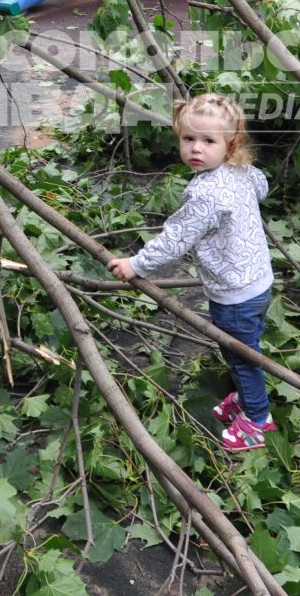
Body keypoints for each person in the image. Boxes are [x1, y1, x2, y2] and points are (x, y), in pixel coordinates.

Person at [109, 94, 276, 452]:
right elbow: (262, 186)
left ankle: (257, 421)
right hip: (259, 283)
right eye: (189, 139)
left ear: (230, 145)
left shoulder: (204, 194)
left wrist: (134, 265)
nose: (196, 148)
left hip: (234, 295)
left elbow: (174, 240)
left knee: (240, 356)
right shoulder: (241, 171)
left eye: (208, 141)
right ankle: (249, 399)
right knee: (249, 348)